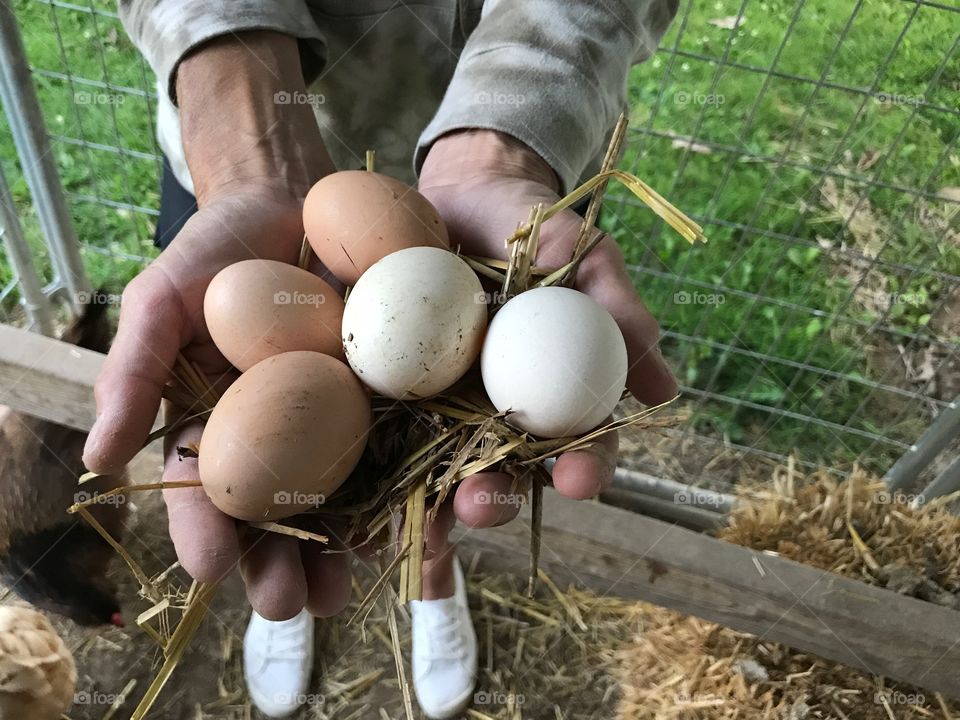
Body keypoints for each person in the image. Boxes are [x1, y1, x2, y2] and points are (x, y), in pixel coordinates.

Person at [85, 1, 679, 717]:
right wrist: (246, 123)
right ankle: (298, 548)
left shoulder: (458, 298)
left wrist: (505, 137)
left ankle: (429, 570)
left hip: (488, 172)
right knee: (287, 487)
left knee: (449, 469)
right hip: (247, 133)